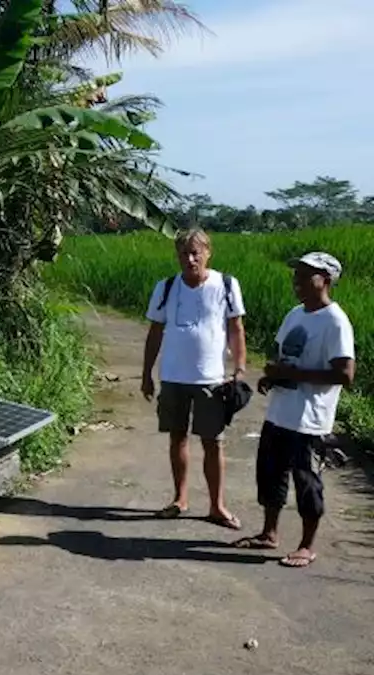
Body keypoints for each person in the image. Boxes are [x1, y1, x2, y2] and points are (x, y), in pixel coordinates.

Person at [234, 251, 354, 568]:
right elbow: (284, 356)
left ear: (325, 281)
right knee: (271, 476)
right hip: (280, 413)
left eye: (305, 276)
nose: (297, 282)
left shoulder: (335, 322)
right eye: (296, 275)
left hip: (311, 420)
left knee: (307, 483)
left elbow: (345, 374)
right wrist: (272, 378)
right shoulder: (294, 314)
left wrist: (293, 375)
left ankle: (306, 545)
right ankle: (268, 533)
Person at [140, 228, 247, 529]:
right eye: (183, 254)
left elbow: (236, 328)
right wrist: (147, 373)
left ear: (207, 253)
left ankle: (217, 506)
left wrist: (239, 367)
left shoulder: (225, 285)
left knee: (213, 442)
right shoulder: (166, 287)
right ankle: (180, 499)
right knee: (177, 437)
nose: (189, 259)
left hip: (212, 378)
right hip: (173, 377)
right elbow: (155, 332)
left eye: (195, 253)